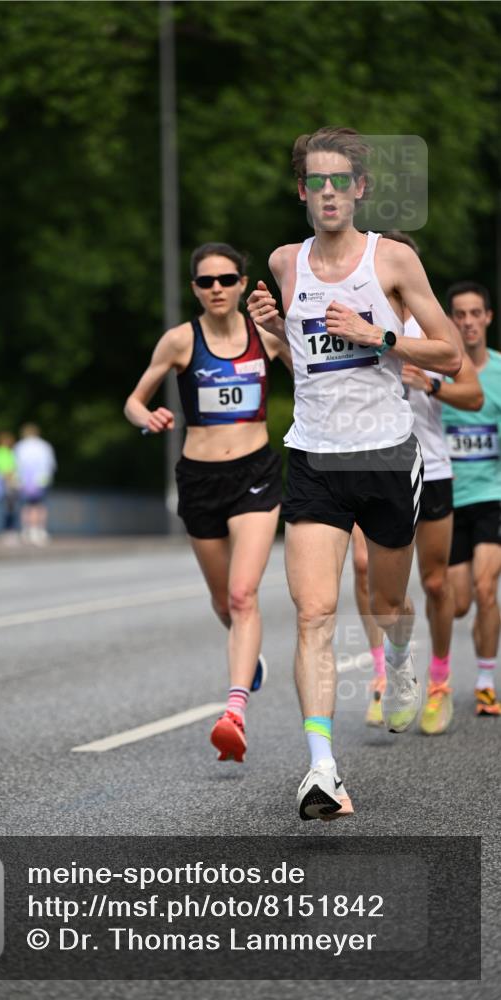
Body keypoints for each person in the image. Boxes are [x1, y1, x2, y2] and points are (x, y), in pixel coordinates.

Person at [248, 128, 461, 821]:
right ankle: (321, 771)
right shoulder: (286, 261)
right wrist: (275, 332)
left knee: (386, 602)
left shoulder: (390, 258)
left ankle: (400, 657)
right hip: (311, 456)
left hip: (385, 453)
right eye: (315, 182)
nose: (328, 193)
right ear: (302, 191)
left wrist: (380, 337)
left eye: (340, 181)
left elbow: (452, 356)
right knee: (313, 612)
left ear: (359, 189)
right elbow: (302, 365)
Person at [124, 242, 288, 764]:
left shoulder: (266, 338)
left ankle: (234, 710)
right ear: (194, 288)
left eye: (225, 279)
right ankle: (248, 656)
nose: (216, 288)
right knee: (224, 603)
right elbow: (133, 399)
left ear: (242, 283)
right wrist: (145, 418)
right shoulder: (179, 340)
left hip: (256, 475)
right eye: (205, 281)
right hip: (199, 479)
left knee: (243, 595)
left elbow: (316, 376)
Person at [351, 233, 483, 735]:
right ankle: (385, 679)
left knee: (434, 582)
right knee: (366, 567)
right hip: (374, 463)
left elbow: (470, 394)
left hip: (432, 467)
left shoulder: (432, 327)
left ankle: (442, 681)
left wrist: (426, 381)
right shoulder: (356, 316)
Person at [442, 281, 501, 717]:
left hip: (493, 495)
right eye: (459, 315)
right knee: (458, 602)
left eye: (474, 313)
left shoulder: (500, 371)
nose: (467, 322)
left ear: (487, 318)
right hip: (449, 498)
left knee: (486, 588)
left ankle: (484, 680)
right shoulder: (437, 372)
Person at [14, 423, 57, 545]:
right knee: (39, 506)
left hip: (25, 481)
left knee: (27, 506)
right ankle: (39, 530)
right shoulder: (44, 446)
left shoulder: (20, 446)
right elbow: (50, 464)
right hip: (41, 480)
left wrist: (17, 480)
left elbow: (15, 465)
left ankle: (27, 530)